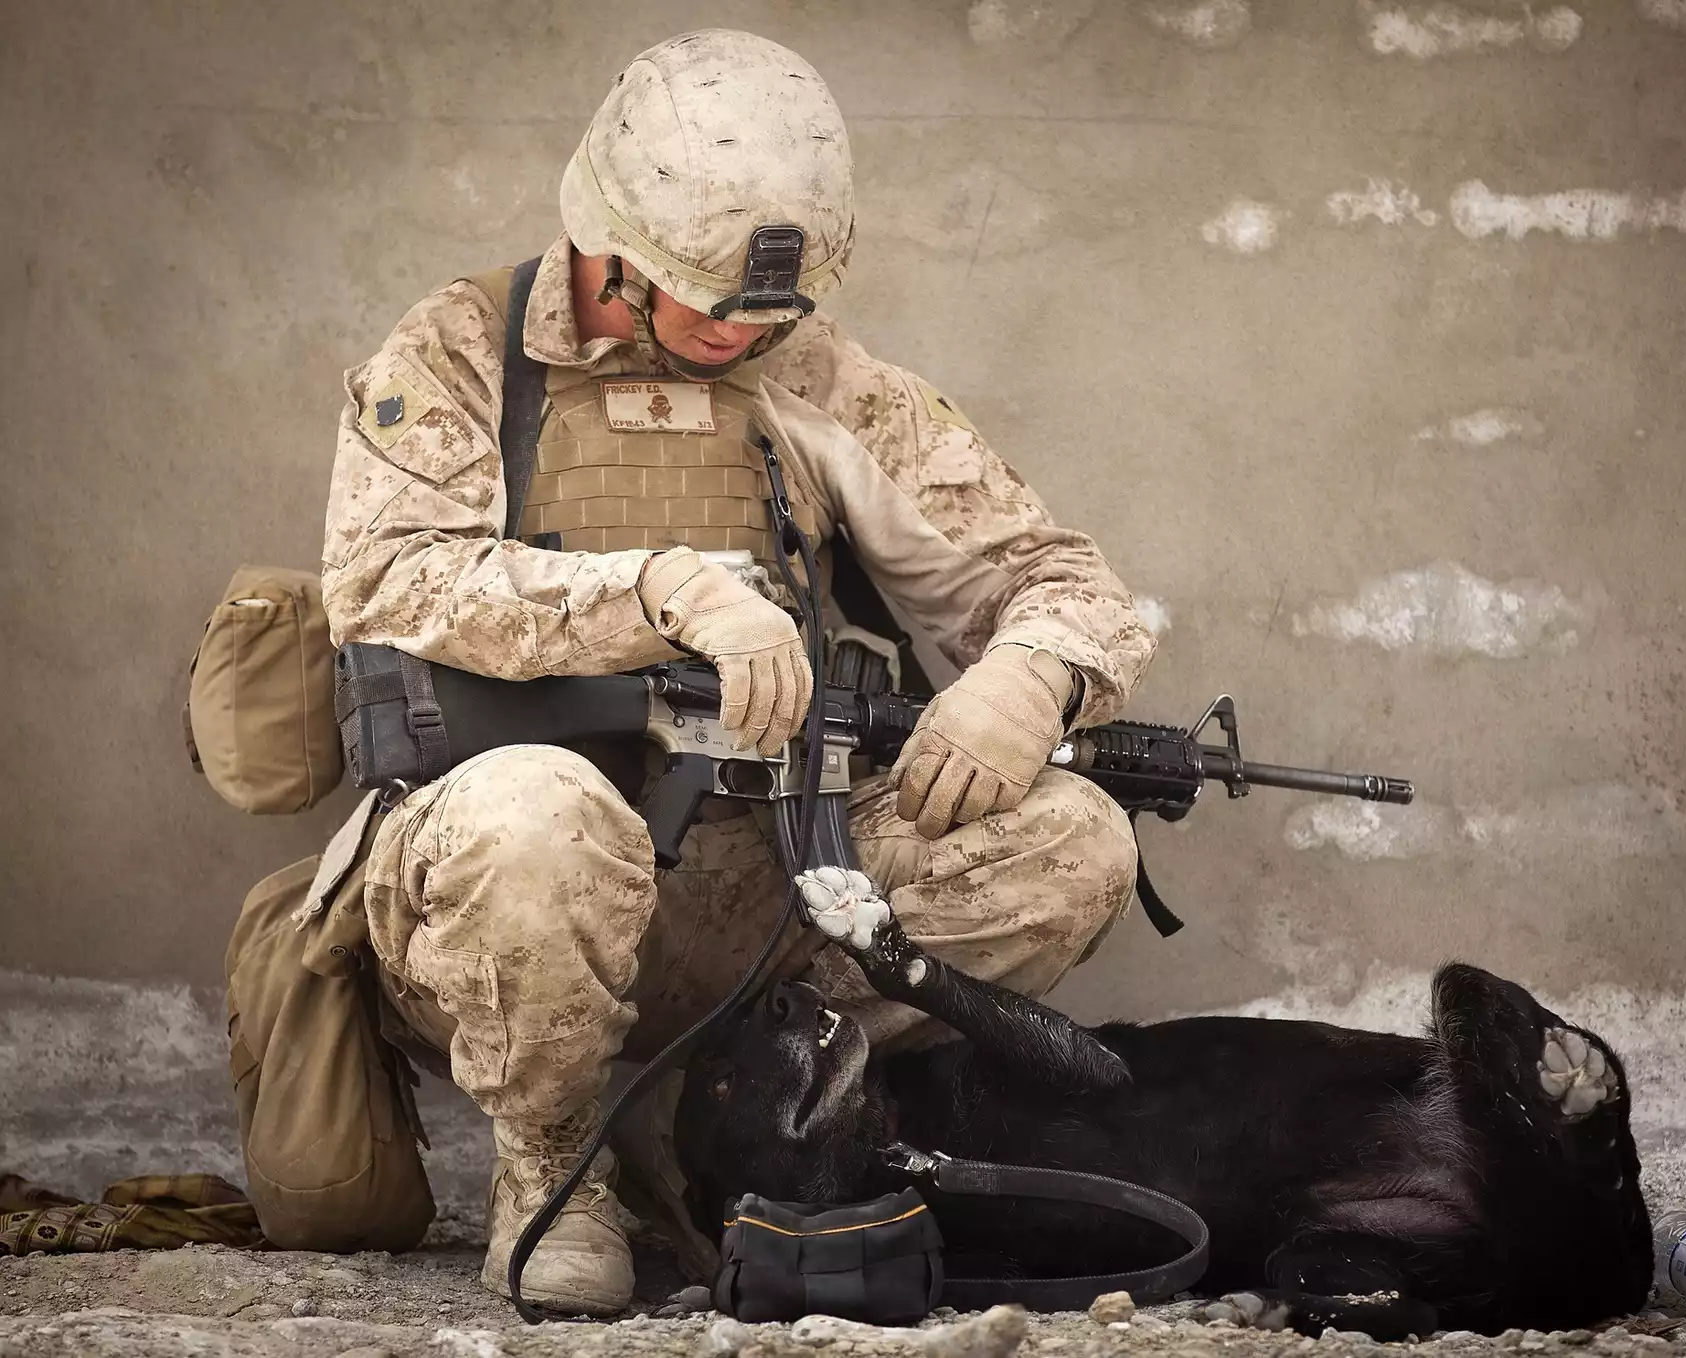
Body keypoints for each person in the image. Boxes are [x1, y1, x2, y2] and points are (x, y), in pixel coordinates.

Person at [308, 27, 1155, 1316]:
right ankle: (554, 1164)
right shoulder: (462, 354)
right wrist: (656, 594)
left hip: (766, 878)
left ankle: (723, 1106)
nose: (742, 332)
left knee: (1074, 841)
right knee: (537, 811)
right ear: (612, 246)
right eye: (712, 300)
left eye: (774, 309)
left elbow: (1055, 576)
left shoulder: (816, 379)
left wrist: (1031, 675)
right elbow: (386, 579)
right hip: (502, 884)